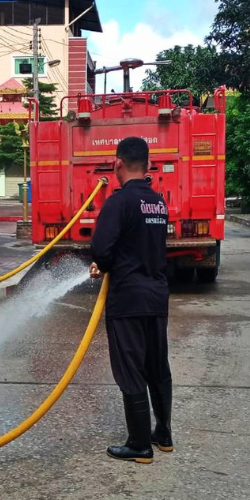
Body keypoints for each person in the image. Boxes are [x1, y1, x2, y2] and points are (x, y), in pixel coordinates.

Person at [89, 137, 173, 464]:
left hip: (127, 299)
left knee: (130, 369)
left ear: (118, 164)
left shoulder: (118, 202)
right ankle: (162, 434)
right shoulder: (158, 202)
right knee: (157, 367)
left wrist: (103, 264)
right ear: (148, 164)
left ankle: (139, 444)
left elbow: (101, 249)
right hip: (156, 297)